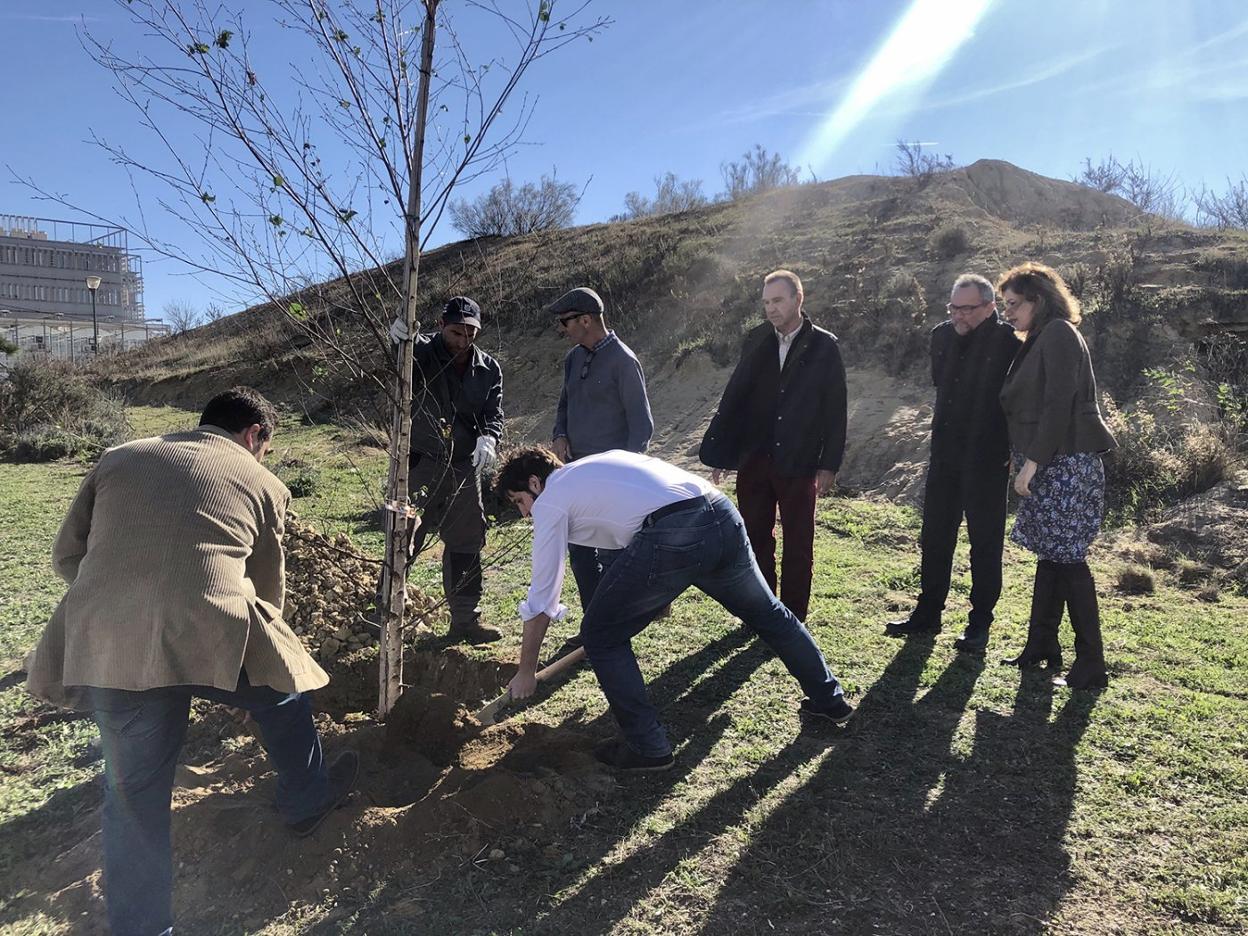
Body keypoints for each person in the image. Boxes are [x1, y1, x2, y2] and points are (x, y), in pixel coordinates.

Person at [24, 387, 358, 936]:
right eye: (264, 448)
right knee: (286, 694)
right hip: (212, 629)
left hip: (112, 645)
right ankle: (307, 801)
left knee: (133, 798)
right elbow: (269, 594)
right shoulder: (264, 482)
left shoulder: (120, 457)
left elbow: (67, 555)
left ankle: (142, 928)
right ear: (254, 436)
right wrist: (253, 666)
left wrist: (119, 604)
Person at [497, 446, 852, 772]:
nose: (525, 513)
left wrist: (526, 671)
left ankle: (647, 747)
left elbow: (542, 598)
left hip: (677, 530)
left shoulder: (552, 499)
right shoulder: (595, 472)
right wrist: (655, 597)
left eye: (519, 501)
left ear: (534, 482)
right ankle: (830, 699)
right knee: (769, 612)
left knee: (600, 636)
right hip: (719, 513)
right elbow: (629, 537)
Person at [698, 269, 847, 620]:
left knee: (799, 541)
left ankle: (793, 616)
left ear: (799, 298)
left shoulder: (824, 345)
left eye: (778, 300)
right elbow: (736, 396)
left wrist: (829, 464)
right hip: (754, 457)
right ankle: (761, 609)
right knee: (753, 537)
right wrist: (723, 449)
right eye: (766, 302)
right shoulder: (756, 339)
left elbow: (835, 409)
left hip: (799, 459)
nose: (771, 309)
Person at [997, 262, 1117, 689]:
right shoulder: (1040, 337)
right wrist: (1024, 456)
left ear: (1038, 301)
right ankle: (1042, 645)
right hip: (1053, 460)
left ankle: (1091, 664)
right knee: (1052, 555)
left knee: (1068, 560)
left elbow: (1057, 405)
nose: (1006, 312)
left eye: (1013, 304)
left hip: (1066, 463)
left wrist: (1033, 461)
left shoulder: (1060, 334)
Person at [887, 274, 1022, 651]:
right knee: (934, 536)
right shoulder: (940, 336)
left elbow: (1020, 401)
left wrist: (1017, 449)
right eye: (954, 307)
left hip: (989, 458)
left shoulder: (1010, 342)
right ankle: (927, 614)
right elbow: (940, 386)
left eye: (968, 308)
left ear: (990, 307)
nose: (959, 315)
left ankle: (979, 623)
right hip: (945, 454)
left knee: (985, 542)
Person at [393, 296, 505, 643]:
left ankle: (465, 620)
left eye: (472, 332)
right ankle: (386, 611)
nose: (464, 340)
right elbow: (399, 374)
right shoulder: (419, 352)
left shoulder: (488, 368)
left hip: (462, 465)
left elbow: (493, 412)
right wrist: (397, 343)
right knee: (402, 533)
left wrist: (489, 437)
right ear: (442, 325)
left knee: (468, 540)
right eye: (457, 332)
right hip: (418, 462)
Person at [548, 285, 654, 607]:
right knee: (580, 552)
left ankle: (612, 626)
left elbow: (642, 426)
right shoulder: (573, 358)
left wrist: (626, 478)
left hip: (611, 481)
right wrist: (560, 434)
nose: (561, 328)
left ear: (585, 320)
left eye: (565, 321)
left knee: (611, 557)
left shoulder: (623, 360)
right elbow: (564, 405)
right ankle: (593, 622)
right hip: (577, 472)